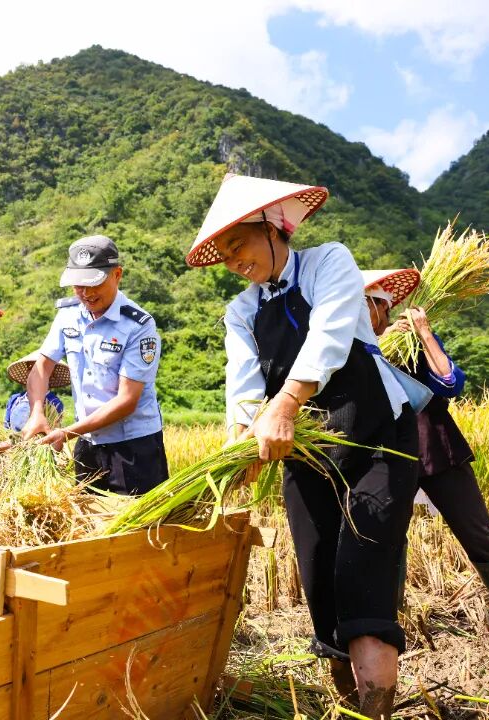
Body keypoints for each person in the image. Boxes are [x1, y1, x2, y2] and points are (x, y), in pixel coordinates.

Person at [188, 173, 428, 719]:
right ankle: (352, 706)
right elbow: (245, 390)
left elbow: (331, 336)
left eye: (238, 244)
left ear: (274, 227)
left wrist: (285, 405)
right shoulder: (241, 312)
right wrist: (239, 449)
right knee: (319, 576)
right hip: (306, 453)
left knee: (362, 575)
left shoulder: (329, 262)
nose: (233, 261)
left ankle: (376, 711)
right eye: (223, 254)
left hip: (375, 443)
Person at [364, 269, 489, 627]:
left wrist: (424, 334)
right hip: (386, 459)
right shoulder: (350, 349)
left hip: (435, 449)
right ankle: (387, 621)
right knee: (388, 539)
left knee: (478, 532)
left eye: (380, 308)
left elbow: (451, 383)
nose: (381, 316)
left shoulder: (408, 343)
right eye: (372, 308)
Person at [21, 235, 167, 495]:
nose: (86, 294)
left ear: (117, 274)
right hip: (86, 442)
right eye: (78, 285)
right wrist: (37, 413)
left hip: (133, 447)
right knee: (88, 521)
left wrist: (66, 432)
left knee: (135, 529)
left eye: (94, 284)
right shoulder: (68, 314)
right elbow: (41, 368)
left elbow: (127, 400)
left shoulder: (139, 325)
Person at [0, 354, 70, 463]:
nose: (35, 373)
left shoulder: (54, 404)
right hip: (9, 459)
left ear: (51, 374)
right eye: (30, 368)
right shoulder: (15, 399)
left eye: (42, 369)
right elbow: (6, 429)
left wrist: (1, 446)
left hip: (35, 459)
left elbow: (41, 438)